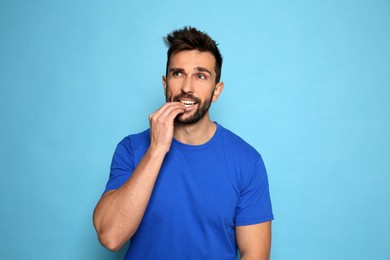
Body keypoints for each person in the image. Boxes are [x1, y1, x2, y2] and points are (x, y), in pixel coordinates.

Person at [93, 26, 274, 260]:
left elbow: (255, 254)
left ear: (216, 91)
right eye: (178, 74)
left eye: (200, 76)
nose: (187, 88)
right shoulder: (131, 149)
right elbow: (111, 237)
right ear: (165, 83)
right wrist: (157, 150)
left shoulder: (247, 161)